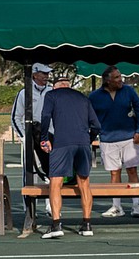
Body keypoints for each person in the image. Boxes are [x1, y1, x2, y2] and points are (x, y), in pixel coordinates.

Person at [39, 76, 101, 239]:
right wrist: (88, 139)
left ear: (55, 87)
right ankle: (87, 224)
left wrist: (44, 138)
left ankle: (56, 224)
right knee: (84, 183)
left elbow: (45, 116)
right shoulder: (82, 97)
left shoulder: (51, 96)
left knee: (55, 182)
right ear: (69, 85)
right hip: (82, 143)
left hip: (62, 143)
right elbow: (97, 125)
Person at [88, 65, 139, 217]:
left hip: (129, 138)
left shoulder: (129, 91)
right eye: (117, 77)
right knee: (114, 173)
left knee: (132, 170)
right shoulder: (94, 96)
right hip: (107, 139)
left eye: (120, 76)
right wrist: (95, 131)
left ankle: (136, 206)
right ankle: (117, 206)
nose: (121, 80)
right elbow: (88, 116)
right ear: (107, 81)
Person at [11, 62, 53, 230]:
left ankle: (52, 206)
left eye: (47, 73)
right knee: (30, 173)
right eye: (43, 73)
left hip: (49, 138)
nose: (46, 76)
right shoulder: (24, 93)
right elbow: (15, 117)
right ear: (34, 74)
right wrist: (24, 137)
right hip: (31, 137)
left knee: (52, 172)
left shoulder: (51, 92)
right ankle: (29, 210)